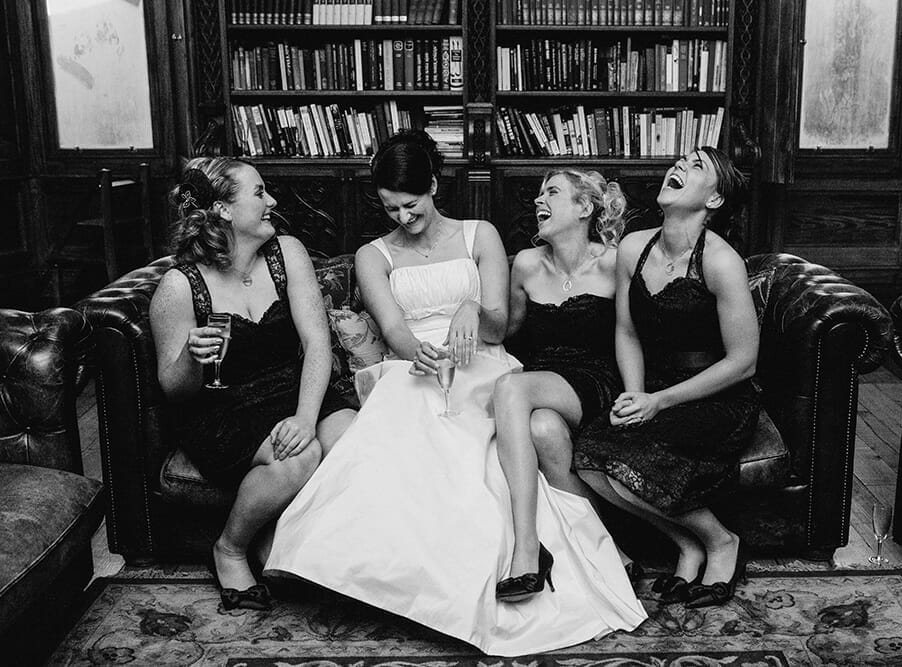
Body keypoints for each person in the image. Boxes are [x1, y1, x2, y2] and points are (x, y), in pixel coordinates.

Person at [264, 130, 645, 656]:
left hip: (483, 366)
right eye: (391, 207)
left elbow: (497, 326)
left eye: (411, 203)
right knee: (409, 444)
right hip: (413, 371)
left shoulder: (479, 235)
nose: (402, 216)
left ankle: (526, 559)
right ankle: (382, 580)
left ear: (434, 187)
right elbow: (394, 329)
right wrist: (417, 351)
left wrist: (470, 311)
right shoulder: (373, 255)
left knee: (485, 458)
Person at [150, 158, 357, 611]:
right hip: (226, 406)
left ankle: (292, 546)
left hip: (295, 387)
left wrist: (306, 416)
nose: (273, 201)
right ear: (223, 210)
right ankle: (231, 548)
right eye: (260, 193)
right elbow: (174, 389)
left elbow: (317, 344)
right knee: (297, 460)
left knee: (354, 442)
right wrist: (191, 357)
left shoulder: (288, 253)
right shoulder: (180, 287)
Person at [574, 146, 760, 609]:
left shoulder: (722, 262)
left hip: (717, 397)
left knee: (626, 460)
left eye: (696, 167)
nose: (678, 166)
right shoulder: (633, 248)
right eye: (681, 160)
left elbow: (743, 362)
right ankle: (686, 543)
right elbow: (625, 329)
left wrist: (661, 403)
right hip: (652, 388)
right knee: (588, 460)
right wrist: (636, 393)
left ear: (714, 201)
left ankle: (720, 542)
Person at [493, 169, 626, 602]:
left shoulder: (614, 260)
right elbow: (504, 331)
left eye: (551, 192)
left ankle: (527, 545)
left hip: (595, 379)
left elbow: (633, 334)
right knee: (542, 430)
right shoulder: (526, 264)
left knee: (510, 390)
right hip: (543, 381)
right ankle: (613, 549)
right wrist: (468, 310)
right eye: (537, 194)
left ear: (585, 208)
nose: (538, 201)